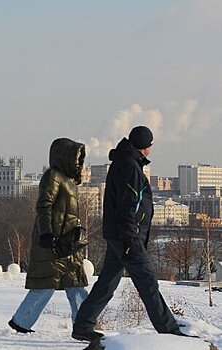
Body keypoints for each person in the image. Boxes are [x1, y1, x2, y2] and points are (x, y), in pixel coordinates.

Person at [72, 126, 188, 342]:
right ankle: (170, 332)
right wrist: (129, 239)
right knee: (148, 282)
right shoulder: (130, 167)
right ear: (147, 146)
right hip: (127, 237)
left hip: (120, 235)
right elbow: (128, 206)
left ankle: (83, 325)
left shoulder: (124, 162)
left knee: (107, 281)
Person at [8, 138, 89, 333]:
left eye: (80, 158)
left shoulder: (68, 180)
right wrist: (46, 234)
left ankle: (84, 326)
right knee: (45, 285)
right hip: (53, 243)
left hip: (67, 244)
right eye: (75, 157)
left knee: (76, 285)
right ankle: (21, 322)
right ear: (64, 156)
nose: (78, 162)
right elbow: (44, 205)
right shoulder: (53, 176)